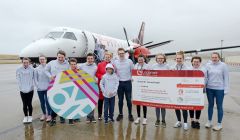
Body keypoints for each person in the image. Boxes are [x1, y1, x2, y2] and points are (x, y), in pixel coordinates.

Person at [205, 52, 229, 131]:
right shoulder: (208, 65)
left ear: (219, 57)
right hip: (209, 88)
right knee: (210, 105)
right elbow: (206, 77)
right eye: (213, 57)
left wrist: (226, 89)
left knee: (219, 106)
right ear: (211, 58)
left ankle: (219, 124)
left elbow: (226, 78)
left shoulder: (223, 65)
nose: (214, 59)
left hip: (220, 89)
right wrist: (204, 86)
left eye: (216, 57)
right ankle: (209, 121)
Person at [45, 50, 70, 126]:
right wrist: (50, 76)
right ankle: (53, 118)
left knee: (63, 102)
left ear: (64, 57)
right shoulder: (52, 63)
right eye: (59, 57)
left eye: (62, 57)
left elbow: (70, 73)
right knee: (54, 103)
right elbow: (46, 70)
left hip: (63, 86)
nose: (60, 58)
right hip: (53, 86)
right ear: (57, 56)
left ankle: (62, 117)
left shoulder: (67, 64)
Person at [113, 48, 134, 122]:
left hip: (128, 83)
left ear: (124, 53)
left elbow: (133, 71)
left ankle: (130, 114)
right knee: (120, 100)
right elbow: (114, 72)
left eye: (122, 53)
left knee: (129, 100)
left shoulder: (129, 61)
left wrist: (132, 78)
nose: (121, 54)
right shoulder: (115, 62)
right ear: (118, 54)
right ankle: (120, 114)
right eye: (119, 53)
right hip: (120, 83)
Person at [151, 53, 170, 127]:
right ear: (156, 59)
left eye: (161, 58)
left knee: (163, 106)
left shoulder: (167, 66)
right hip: (156, 88)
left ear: (164, 59)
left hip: (164, 89)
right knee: (157, 106)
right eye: (158, 58)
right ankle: (157, 120)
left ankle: (163, 120)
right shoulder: (153, 66)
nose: (160, 59)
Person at [172, 51, 189, 130]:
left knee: (184, 107)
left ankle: (185, 122)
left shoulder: (187, 68)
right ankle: (179, 121)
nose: (178, 59)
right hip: (175, 89)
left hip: (184, 90)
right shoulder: (172, 67)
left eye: (180, 58)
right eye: (177, 58)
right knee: (176, 107)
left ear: (183, 59)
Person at [79, 53, 98, 123]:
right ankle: (88, 117)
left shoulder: (95, 67)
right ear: (86, 59)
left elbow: (97, 75)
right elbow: (76, 72)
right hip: (84, 86)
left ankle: (92, 117)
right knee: (87, 102)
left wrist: (97, 80)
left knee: (92, 102)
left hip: (93, 86)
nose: (90, 60)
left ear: (93, 59)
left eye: (91, 59)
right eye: (88, 59)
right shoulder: (82, 66)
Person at [189, 56, 205, 129]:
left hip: (200, 90)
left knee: (198, 106)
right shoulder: (188, 69)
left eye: (197, 62)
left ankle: (197, 121)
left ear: (200, 62)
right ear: (192, 62)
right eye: (194, 61)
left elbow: (206, 79)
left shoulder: (203, 70)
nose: (196, 63)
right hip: (190, 90)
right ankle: (192, 120)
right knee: (191, 106)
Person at [16, 57, 34, 124]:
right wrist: (21, 87)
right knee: (24, 104)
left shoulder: (32, 69)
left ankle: (30, 116)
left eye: (27, 62)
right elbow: (18, 79)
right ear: (22, 62)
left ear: (29, 63)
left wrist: (31, 87)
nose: (25, 64)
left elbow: (33, 78)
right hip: (22, 90)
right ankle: (26, 116)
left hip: (30, 90)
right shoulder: (18, 69)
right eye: (24, 62)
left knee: (29, 104)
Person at [96, 52, 113, 120]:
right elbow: (97, 74)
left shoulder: (112, 65)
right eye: (106, 57)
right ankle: (99, 115)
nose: (107, 58)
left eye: (108, 57)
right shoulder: (100, 64)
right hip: (102, 85)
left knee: (109, 101)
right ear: (104, 57)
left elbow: (114, 74)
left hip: (109, 86)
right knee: (101, 100)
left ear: (110, 58)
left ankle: (109, 115)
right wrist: (101, 76)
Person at [34, 55, 51, 122]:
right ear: (39, 60)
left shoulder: (49, 67)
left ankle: (49, 115)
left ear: (46, 60)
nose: (42, 60)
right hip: (40, 88)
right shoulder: (37, 69)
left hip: (48, 88)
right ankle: (44, 114)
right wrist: (38, 86)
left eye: (43, 59)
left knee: (47, 102)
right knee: (42, 102)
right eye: (40, 59)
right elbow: (35, 79)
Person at [133, 55, 149, 125]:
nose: (140, 61)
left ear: (144, 59)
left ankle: (145, 118)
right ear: (137, 60)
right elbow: (133, 74)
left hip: (145, 86)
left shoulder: (147, 66)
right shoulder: (136, 66)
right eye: (139, 59)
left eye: (141, 59)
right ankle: (138, 117)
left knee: (144, 103)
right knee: (138, 103)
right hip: (137, 86)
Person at [67, 58, 80, 125]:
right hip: (70, 90)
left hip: (77, 90)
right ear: (70, 64)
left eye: (74, 64)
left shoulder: (78, 71)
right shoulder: (67, 72)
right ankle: (70, 120)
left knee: (76, 104)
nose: (73, 65)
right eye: (72, 64)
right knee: (70, 105)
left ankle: (75, 118)